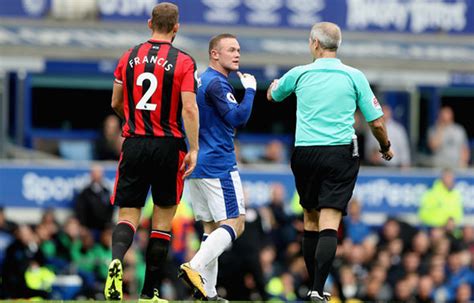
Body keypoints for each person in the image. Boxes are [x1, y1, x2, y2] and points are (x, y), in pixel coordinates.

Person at [266, 22, 393, 302]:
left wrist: (275, 86)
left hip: (305, 153)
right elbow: (377, 122)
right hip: (339, 154)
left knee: (310, 220)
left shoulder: (299, 73)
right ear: (338, 45)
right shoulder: (354, 76)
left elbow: (272, 95)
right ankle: (317, 289)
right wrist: (385, 146)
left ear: (314, 43)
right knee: (329, 221)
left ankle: (312, 286)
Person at [104, 2, 199, 302]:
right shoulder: (184, 61)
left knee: (129, 214)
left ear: (149, 23)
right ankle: (149, 292)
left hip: (134, 142)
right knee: (161, 222)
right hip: (168, 146)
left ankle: (117, 258)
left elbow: (115, 102)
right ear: (177, 27)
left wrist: (132, 120)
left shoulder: (129, 56)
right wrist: (194, 147)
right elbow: (188, 107)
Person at [177, 33, 256, 301]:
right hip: (219, 164)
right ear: (214, 53)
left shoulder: (200, 81)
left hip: (197, 162)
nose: (237, 54)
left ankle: (208, 294)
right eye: (231, 49)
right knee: (236, 223)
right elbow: (237, 117)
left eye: (238, 49)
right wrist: (251, 91)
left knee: (211, 230)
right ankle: (194, 266)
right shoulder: (217, 84)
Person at [74, 164, 114, 232]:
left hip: (104, 228)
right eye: (95, 173)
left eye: (99, 173)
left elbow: (111, 208)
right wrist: (83, 225)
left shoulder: (106, 191)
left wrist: (108, 222)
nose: (97, 175)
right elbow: (80, 210)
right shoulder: (85, 193)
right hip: (89, 228)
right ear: (91, 174)